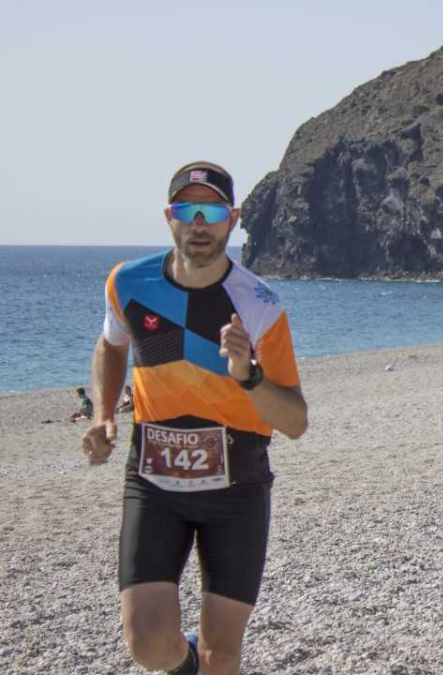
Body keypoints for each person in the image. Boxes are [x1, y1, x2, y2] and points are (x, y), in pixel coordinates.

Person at [80, 162, 309, 675]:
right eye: (188, 210)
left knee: (222, 655)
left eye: (211, 212)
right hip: (154, 483)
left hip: (237, 489)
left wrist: (247, 375)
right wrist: (102, 414)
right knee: (147, 644)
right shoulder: (128, 283)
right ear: (169, 218)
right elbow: (113, 345)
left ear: (232, 219)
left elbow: (294, 421)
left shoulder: (260, 306)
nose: (199, 224)